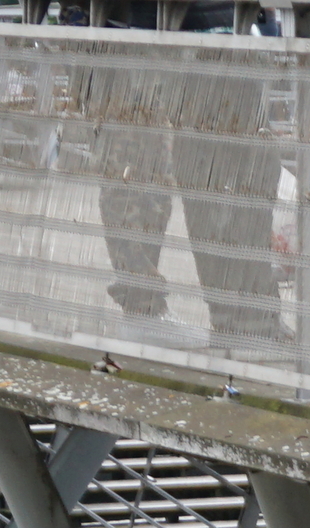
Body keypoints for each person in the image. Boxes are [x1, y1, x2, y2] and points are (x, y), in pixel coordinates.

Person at [81, 0, 284, 343]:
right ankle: (149, 312)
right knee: (141, 171)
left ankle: (245, 321)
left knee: (228, 174)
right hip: (135, 29)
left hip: (213, 28)